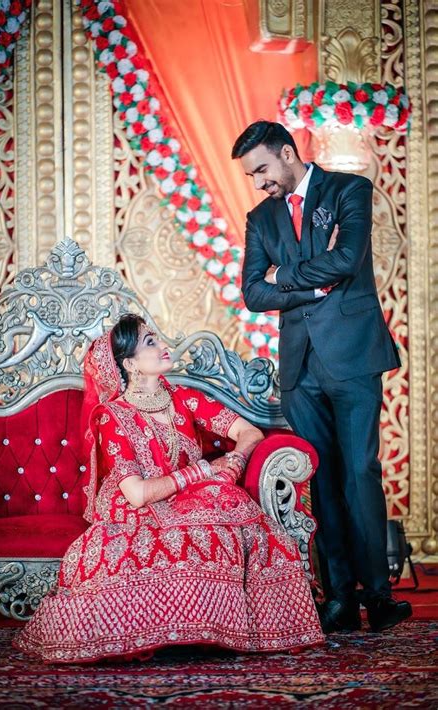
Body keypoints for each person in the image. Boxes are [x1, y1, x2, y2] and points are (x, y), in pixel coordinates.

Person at [14, 314, 323, 663]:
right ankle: (167, 632)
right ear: (129, 363)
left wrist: (235, 461)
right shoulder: (113, 416)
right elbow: (137, 494)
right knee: (152, 542)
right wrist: (202, 471)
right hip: (139, 508)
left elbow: (249, 433)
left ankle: (211, 630)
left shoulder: (185, 399)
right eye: (150, 342)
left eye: (158, 338)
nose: (163, 346)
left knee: (235, 511)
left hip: (193, 499)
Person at [231, 120, 412, 634]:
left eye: (263, 169)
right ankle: (339, 597)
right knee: (322, 481)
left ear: (288, 153)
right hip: (300, 366)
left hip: (353, 355)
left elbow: (348, 258)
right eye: (252, 175)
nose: (260, 182)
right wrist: (314, 284)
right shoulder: (260, 218)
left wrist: (283, 276)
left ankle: (379, 596)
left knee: (359, 473)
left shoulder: (349, 189)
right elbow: (252, 293)